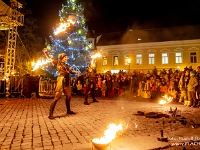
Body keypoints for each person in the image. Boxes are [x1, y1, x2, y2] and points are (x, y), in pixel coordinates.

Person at [42, 48, 77, 119]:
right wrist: (46, 53)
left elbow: (71, 72)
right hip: (61, 80)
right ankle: (50, 114)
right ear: (62, 58)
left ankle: (68, 110)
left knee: (69, 96)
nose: (67, 58)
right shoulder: (57, 63)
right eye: (65, 57)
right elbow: (50, 59)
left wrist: (76, 72)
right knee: (57, 97)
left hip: (67, 81)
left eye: (66, 57)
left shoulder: (66, 66)